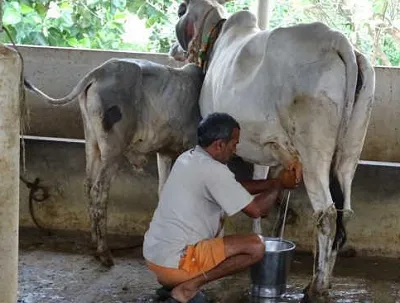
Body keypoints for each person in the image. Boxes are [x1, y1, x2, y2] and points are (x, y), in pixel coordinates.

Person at [143, 113, 300, 303]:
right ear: (219, 144)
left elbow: (231, 186)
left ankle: (171, 285)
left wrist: (272, 182)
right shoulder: (214, 171)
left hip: (155, 257)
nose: (235, 150)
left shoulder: (189, 157)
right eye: (234, 144)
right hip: (177, 261)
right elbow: (257, 211)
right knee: (256, 247)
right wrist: (279, 185)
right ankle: (187, 287)